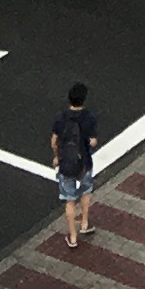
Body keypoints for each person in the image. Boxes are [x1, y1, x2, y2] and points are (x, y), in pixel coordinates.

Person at [51, 81, 101, 248]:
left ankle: (72, 236)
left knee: (69, 200)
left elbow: (54, 141)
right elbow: (93, 142)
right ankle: (85, 223)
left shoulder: (60, 117)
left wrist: (57, 157)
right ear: (84, 99)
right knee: (86, 192)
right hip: (85, 163)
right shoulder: (89, 117)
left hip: (66, 165)